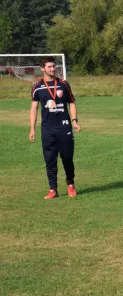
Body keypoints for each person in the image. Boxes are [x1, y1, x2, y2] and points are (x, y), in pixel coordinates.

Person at [29, 56, 81, 199]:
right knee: (50, 160)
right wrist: (32, 129)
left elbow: (71, 103)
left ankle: (70, 185)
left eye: (53, 66)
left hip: (64, 128)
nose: (52, 69)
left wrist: (75, 121)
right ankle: (53, 189)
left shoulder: (64, 84)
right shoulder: (37, 87)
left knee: (67, 158)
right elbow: (33, 109)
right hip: (47, 129)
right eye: (49, 67)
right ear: (42, 69)